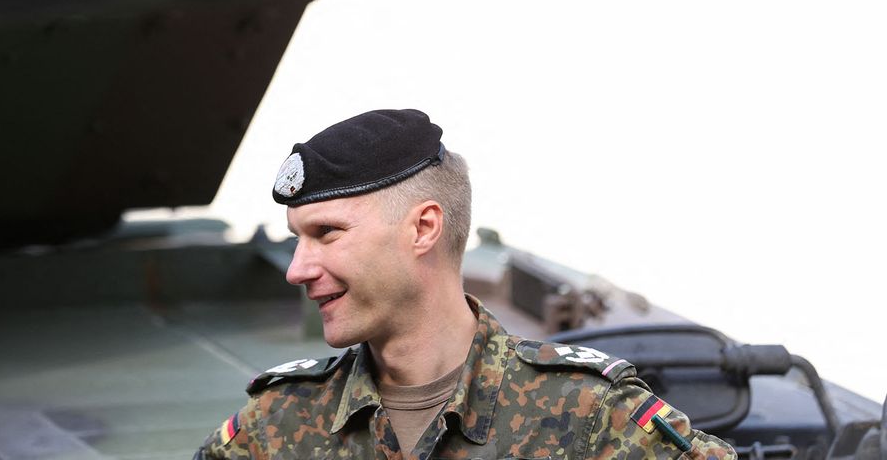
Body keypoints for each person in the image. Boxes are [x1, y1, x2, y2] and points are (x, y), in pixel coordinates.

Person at [194, 108, 738, 460]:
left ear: (423, 228)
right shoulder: (279, 425)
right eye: (297, 240)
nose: (297, 269)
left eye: (327, 234)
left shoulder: (585, 415)